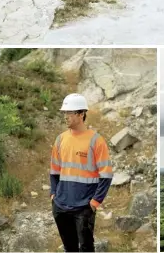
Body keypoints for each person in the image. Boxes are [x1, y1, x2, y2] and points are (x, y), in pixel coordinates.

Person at [50, 93, 113, 252]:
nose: (65, 116)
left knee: (86, 247)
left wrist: (94, 202)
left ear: (81, 114)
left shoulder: (96, 141)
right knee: (69, 247)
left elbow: (106, 175)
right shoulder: (60, 139)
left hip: (84, 207)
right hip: (61, 205)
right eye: (64, 112)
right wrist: (53, 194)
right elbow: (54, 171)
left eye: (69, 113)